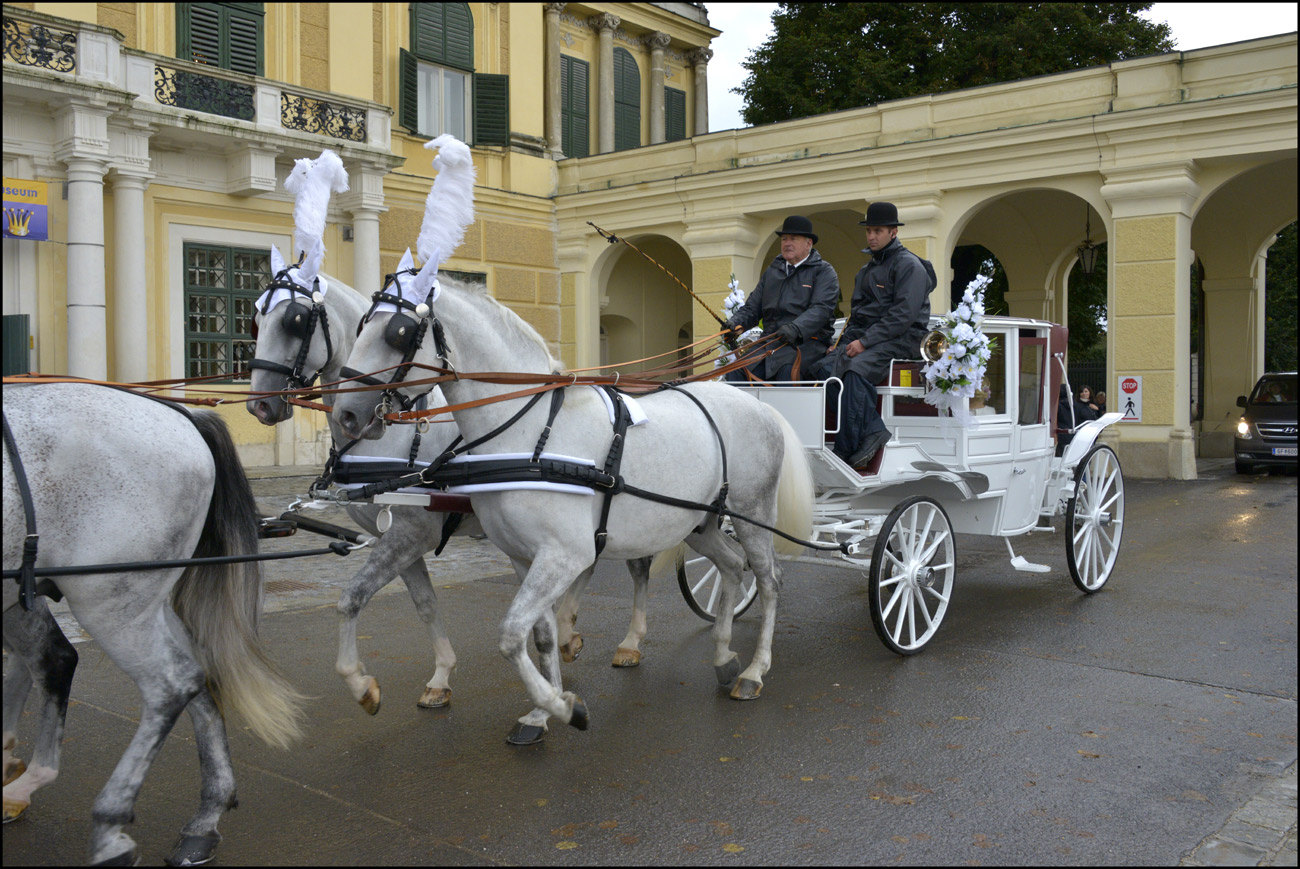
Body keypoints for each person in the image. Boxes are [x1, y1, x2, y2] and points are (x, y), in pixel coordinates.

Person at [809, 201, 937, 470]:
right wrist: (841, 344)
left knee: (855, 369)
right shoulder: (865, 271)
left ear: (893, 232)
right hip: (873, 338)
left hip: (905, 338)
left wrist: (864, 343)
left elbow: (903, 316)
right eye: (869, 230)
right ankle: (874, 430)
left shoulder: (910, 266)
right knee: (822, 369)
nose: (871, 236)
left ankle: (846, 449)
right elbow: (857, 316)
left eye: (878, 231)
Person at [721, 215, 839, 383]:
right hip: (769, 342)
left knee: (786, 370)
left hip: (807, 344)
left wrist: (795, 329)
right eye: (784, 239)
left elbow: (821, 310)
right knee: (736, 371)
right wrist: (735, 324)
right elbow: (752, 308)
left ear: (808, 244)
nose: (787, 243)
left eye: (793, 239)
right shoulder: (772, 272)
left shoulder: (824, 272)